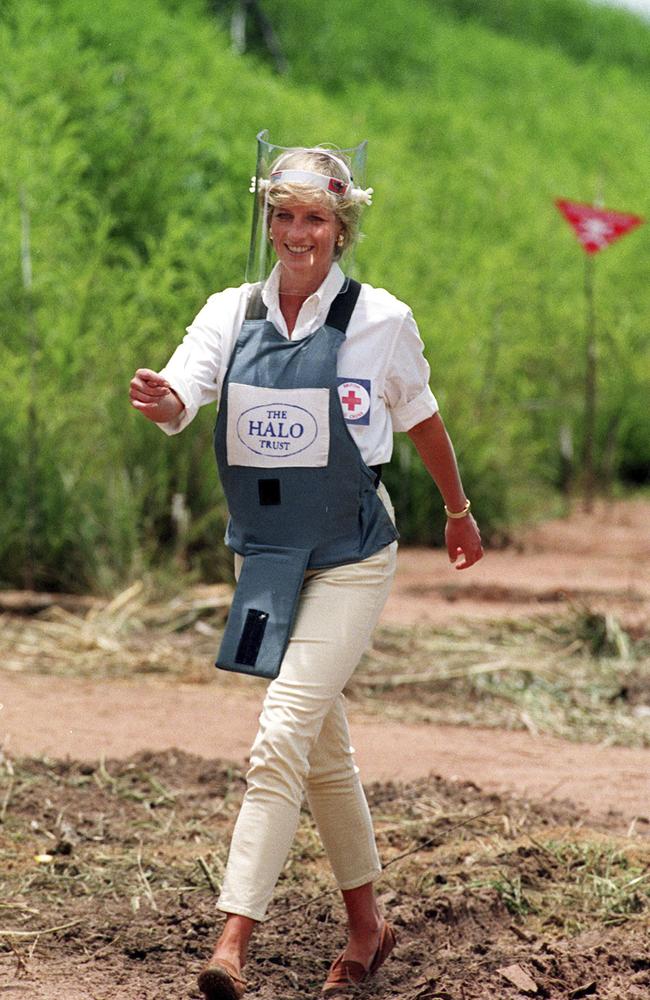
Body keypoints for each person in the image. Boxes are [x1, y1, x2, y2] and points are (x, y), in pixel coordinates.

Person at [129, 134, 483, 999]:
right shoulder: (229, 311)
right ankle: (368, 927)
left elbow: (423, 420)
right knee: (320, 751)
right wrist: (167, 400)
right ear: (269, 220)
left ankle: (231, 942)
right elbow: (187, 386)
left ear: (341, 226)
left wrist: (458, 508)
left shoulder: (382, 320)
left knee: (281, 732)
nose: (297, 233)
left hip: (354, 556)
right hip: (267, 561)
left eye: (315, 218)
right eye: (283, 216)